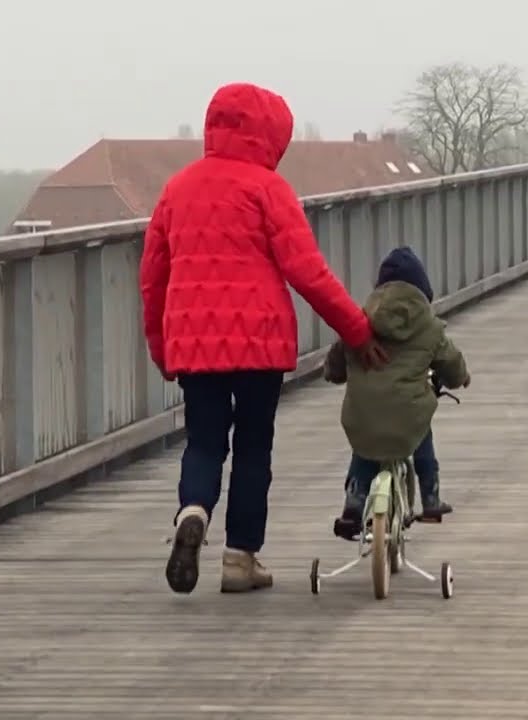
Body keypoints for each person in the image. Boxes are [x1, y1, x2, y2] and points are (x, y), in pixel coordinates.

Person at [140, 82, 389, 595]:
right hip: (260, 342)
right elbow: (308, 273)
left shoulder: (176, 189)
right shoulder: (268, 189)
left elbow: (153, 278)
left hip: (194, 343)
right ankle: (240, 559)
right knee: (254, 448)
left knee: (204, 442)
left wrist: (162, 348)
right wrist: (357, 330)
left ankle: (193, 511)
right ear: (271, 134)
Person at [322, 246, 470, 540]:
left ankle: (353, 504)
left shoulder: (360, 322)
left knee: (365, 448)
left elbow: (336, 363)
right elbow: (450, 362)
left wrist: (334, 373)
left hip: (363, 415)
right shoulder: (429, 327)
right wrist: (460, 377)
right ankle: (430, 497)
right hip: (407, 416)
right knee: (421, 432)